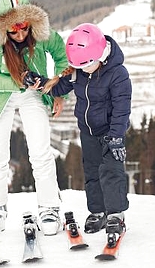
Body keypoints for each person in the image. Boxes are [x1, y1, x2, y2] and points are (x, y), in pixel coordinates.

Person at [0, 0, 68, 237]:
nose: (20, 36)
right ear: (3, 29)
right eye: (14, 32)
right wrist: (17, 80)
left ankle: (49, 207)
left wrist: (58, 92)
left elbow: (62, 57)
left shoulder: (40, 35)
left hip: (32, 93)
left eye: (24, 30)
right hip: (0, 96)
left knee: (40, 150)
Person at [38, 23, 131, 238]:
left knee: (112, 172)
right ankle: (97, 211)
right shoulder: (79, 71)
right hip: (88, 131)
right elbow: (60, 87)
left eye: (88, 65)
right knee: (92, 172)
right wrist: (40, 82)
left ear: (100, 54)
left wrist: (116, 137)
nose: (84, 70)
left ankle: (116, 214)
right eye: (80, 66)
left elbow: (122, 108)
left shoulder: (118, 74)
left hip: (111, 133)